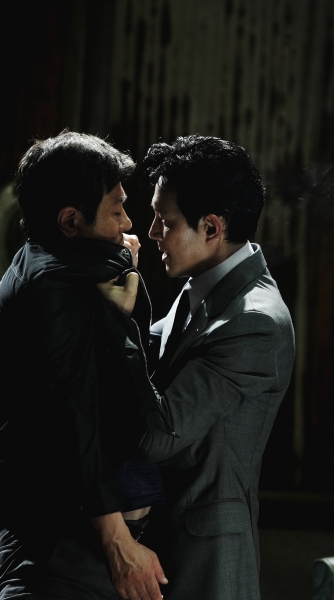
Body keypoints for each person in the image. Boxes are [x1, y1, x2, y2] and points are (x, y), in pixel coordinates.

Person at [98, 134, 296, 600]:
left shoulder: (253, 322)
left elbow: (156, 434)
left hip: (205, 563)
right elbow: (145, 362)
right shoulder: (202, 287)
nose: (152, 232)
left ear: (211, 227)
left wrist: (116, 320)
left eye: (165, 221)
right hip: (159, 548)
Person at [0, 131, 171, 600]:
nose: (129, 224)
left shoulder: (54, 265)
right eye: (117, 211)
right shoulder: (54, 288)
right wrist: (117, 540)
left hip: (68, 539)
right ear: (71, 221)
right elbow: (74, 414)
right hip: (65, 548)